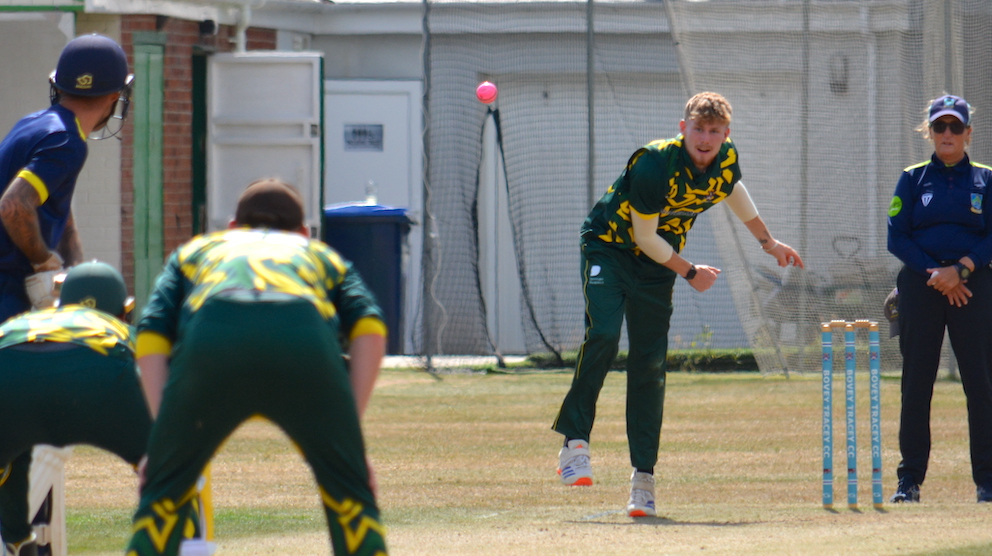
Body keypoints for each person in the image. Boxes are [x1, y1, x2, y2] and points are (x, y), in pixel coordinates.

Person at [551, 92, 804, 517]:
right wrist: (690, 272)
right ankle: (574, 444)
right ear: (683, 127)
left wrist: (768, 241)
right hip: (610, 250)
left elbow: (732, 190)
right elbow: (645, 237)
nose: (705, 139)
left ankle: (643, 479)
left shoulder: (724, 160)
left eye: (714, 131)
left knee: (649, 362)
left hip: (655, 264)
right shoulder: (654, 163)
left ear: (726, 135)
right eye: (698, 129)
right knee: (605, 333)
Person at [126, 178, 389, 556]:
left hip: (213, 340)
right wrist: (348, 433)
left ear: (232, 227)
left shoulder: (198, 249)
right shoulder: (320, 255)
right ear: (303, 232)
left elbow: (150, 334)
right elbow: (371, 328)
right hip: (302, 339)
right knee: (352, 500)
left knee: (163, 499)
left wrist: (163, 435)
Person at [0, 262, 151, 556]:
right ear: (123, 310)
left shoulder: (19, 323)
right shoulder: (123, 328)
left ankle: (14, 540)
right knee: (171, 469)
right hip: (102, 369)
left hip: (7, 368)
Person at [886, 93, 992, 504]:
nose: (946, 134)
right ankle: (909, 481)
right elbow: (897, 236)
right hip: (923, 285)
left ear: (967, 133)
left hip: (973, 286)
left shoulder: (985, 178)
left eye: (954, 127)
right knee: (916, 385)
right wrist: (937, 274)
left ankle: (987, 480)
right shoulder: (912, 179)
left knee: (980, 384)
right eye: (939, 126)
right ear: (929, 132)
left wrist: (961, 269)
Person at [0, 33, 133, 322]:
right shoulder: (67, 141)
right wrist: (42, 260)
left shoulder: (37, 123)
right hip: (6, 291)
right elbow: (13, 206)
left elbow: (56, 205)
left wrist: (74, 269)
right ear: (115, 96)